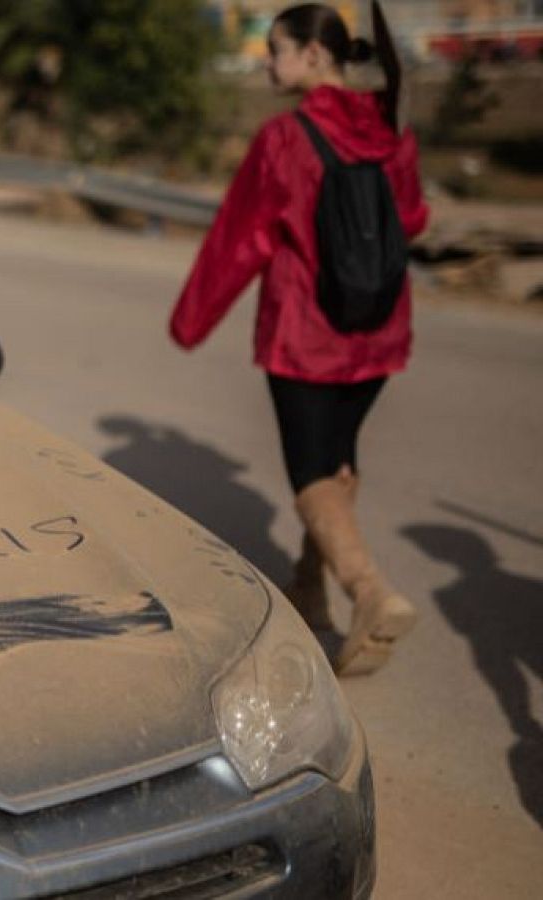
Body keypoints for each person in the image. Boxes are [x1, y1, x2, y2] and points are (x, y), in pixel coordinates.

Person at [169, 2, 428, 676]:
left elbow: (240, 239)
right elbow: (415, 220)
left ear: (314, 56)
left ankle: (370, 593)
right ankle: (309, 592)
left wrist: (189, 322)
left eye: (277, 49)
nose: (268, 62)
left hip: (305, 336)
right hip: (378, 333)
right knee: (338, 461)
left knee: (311, 471)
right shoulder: (390, 127)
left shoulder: (285, 138)